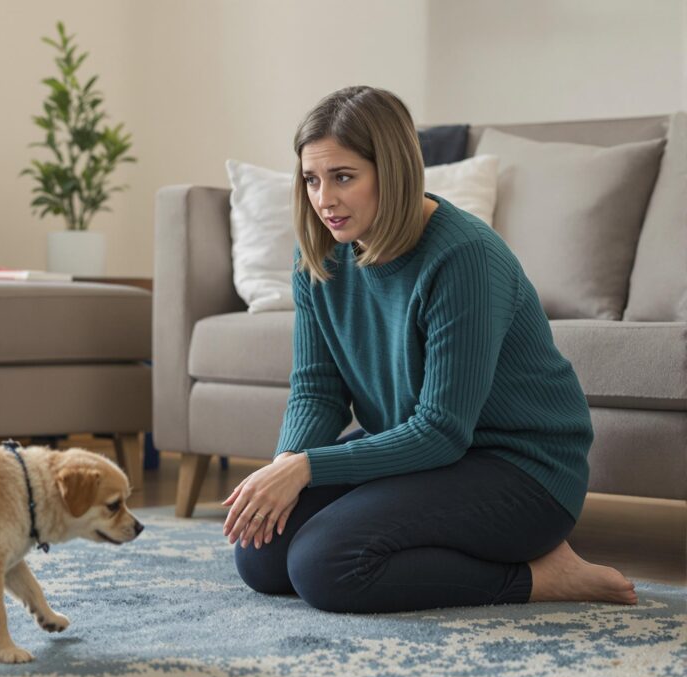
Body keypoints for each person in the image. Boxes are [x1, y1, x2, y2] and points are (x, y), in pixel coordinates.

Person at [224, 86, 637, 614]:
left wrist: (307, 468)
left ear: (391, 172)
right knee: (262, 554)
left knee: (324, 565)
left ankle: (539, 576)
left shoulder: (464, 255)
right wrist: (285, 465)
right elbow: (318, 390)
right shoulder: (321, 255)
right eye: (311, 179)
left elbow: (441, 431)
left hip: (519, 470)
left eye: (343, 177)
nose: (324, 198)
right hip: (419, 454)